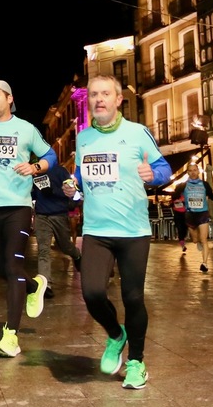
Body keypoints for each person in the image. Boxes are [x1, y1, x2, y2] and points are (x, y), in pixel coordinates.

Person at [61, 75, 171, 389]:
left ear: (118, 99)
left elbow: (163, 168)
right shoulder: (83, 138)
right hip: (96, 230)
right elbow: (81, 175)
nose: (98, 99)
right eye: (94, 94)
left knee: (133, 298)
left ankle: (136, 361)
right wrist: (73, 186)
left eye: (105, 94)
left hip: (134, 231)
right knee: (92, 293)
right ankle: (115, 334)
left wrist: (153, 174)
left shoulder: (137, 133)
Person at [0, 79, 56, 358]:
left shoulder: (26, 129)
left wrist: (35, 167)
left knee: (13, 264)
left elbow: (50, 154)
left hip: (18, 207)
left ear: (9, 98)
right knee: (0, 266)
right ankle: (34, 285)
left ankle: (11, 336)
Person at [30, 161, 82, 298]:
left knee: (65, 246)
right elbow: (33, 194)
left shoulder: (60, 171)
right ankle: (45, 284)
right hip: (41, 215)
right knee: (43, 250)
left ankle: (76, 254)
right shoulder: (34, 173)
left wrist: (53, 191)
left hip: (59, 214)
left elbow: (72, 192)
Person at [181, 162, 213, 273]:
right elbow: (175, 196)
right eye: (191, 170)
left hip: (202, 213)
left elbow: (211, 195)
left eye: (195, 170)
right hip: (190, 215)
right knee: (195, 239)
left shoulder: (204, 184)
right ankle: (197, 240)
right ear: (188, 172)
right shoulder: (183, 185)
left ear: (198, 171)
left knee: (204, 240)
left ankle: (204, 263)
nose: (193, 172)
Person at [171, 187, 189, 254]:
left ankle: (182, 243)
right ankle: (182, 242)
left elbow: (172, 204)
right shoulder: (185, 194)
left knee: (181, 229)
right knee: (182, 229)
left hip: (179, 214)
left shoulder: (175, 196)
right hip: (182, 214)